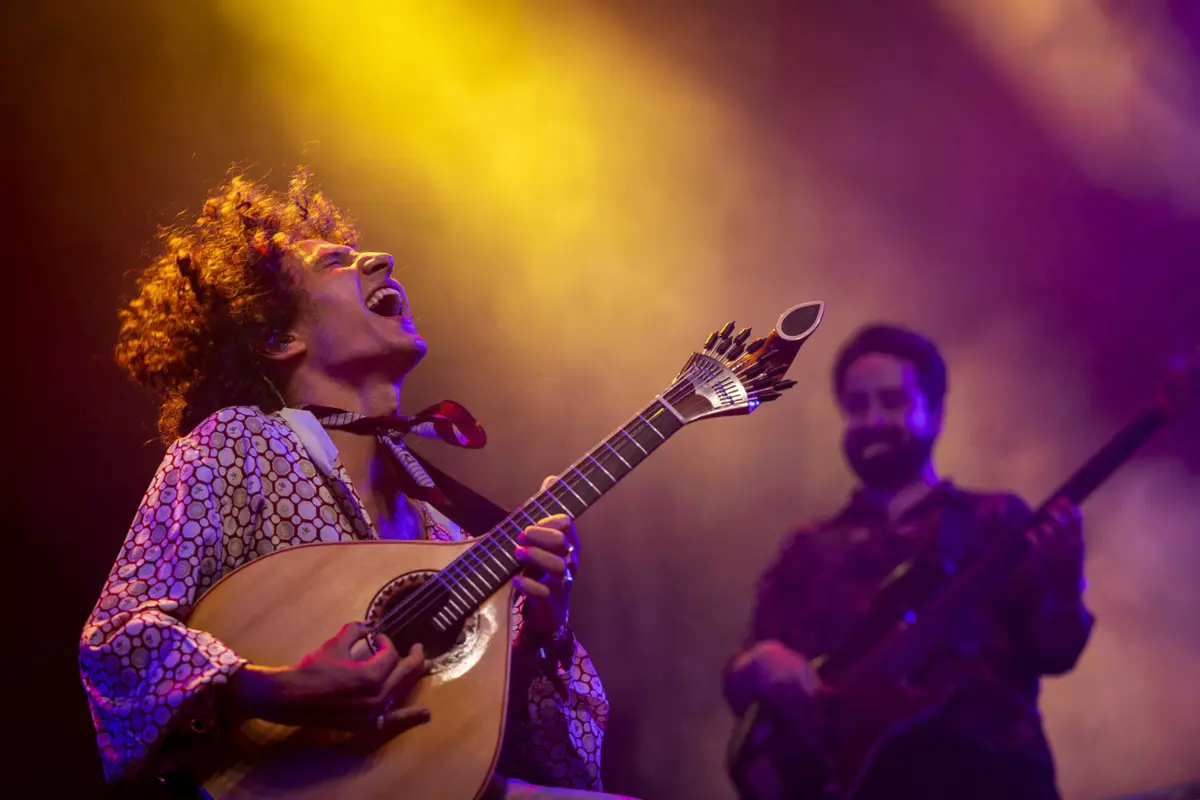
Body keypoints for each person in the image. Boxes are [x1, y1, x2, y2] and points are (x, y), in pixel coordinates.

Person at [79, 167, 634, 799]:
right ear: (278, 338)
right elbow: (116, 642)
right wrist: (278, 688)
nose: (382, 257)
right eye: (336, 263)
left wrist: (545, 627)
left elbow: (567, 763)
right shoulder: (237, 444)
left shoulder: (447, 534)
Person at [724, 323, 1095, 799]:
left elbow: (1055, 654)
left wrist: (1066, 589)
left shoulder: (996, 518)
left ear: (935, 413)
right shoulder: (808, 548)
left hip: (995, 782)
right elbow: (746, 688)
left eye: (892, 401)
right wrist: (754, 664)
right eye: (857, 406)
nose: (874, 419)